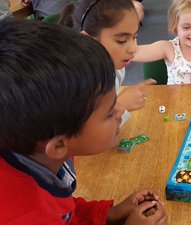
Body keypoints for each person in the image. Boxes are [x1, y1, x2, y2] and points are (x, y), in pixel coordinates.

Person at [0, 18, 167, 225]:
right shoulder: (24, 215)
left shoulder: (44, 151)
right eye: (108, 112)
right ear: (59, 145)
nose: (119, 111)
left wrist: (108, 214)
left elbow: (63, 210)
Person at [61, 0, 155, 125]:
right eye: (122, 40)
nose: (134, 49)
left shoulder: (116, 68)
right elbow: (81, 138)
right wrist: (119, 106)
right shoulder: (75, 83)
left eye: (135, 37)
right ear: (88, 40)